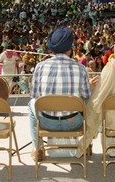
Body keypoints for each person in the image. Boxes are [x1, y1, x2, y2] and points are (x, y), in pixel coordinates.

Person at [28, 27, 92, 162]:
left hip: (46, 122)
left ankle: (38, 148)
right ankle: (86, 143)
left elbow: (34, 94)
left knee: (31, 104)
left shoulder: (40, 67)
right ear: (70, 48)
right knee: (88, 102)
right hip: (73, 123)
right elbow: (86, 96)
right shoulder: (81, 68)